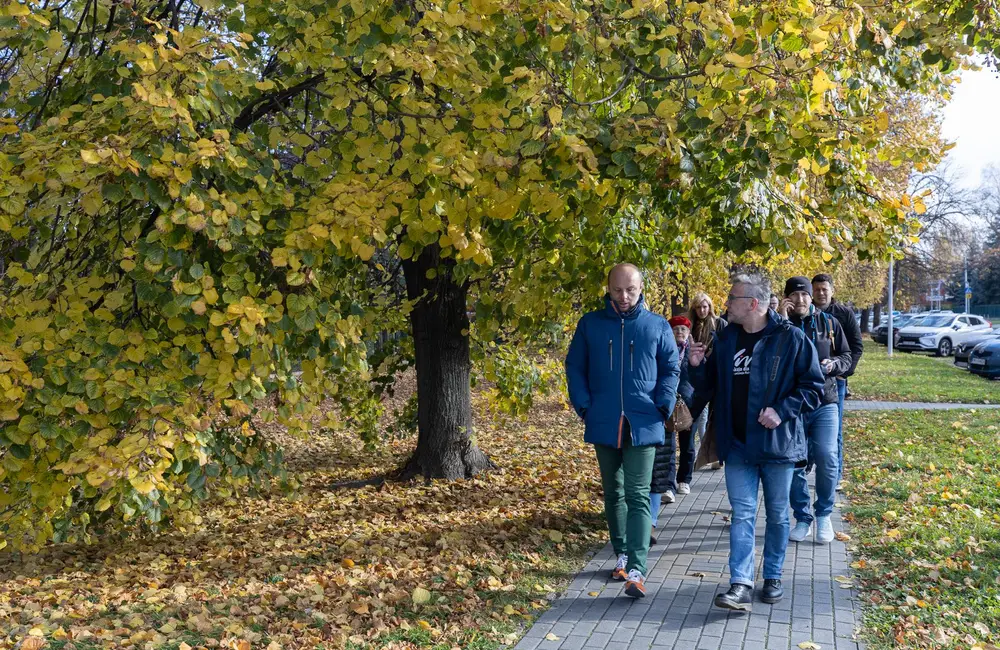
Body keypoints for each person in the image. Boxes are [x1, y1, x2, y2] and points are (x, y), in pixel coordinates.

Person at [688, 273, 824, 610]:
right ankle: (741, 583)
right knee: (742, 514)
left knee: (778, 515)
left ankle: (773, 575)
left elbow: (814, 387)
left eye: (732, 298)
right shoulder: (726, 340)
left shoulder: (790, 339)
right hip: (737, 444)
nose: (726, 303)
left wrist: (782, 410)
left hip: (778, 446)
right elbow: (708, 389)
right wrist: (695, 368)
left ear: (752, 303)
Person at [565, 263, 681, 599]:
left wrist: (663, 404)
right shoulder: (590, 324)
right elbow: (575, 365)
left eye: (630, 289)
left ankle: (637, 568)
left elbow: (671, 367)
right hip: (603, 418)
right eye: (618, 290)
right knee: (613, 492)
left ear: (641, 287)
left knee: (638, 493)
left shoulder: (657, 325)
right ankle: (622, 553)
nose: (624, 296)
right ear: (609, 288)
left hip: (644, 421)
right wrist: (584, 405)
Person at [778, 277, 852, 544]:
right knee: (795, 461)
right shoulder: (778, 325)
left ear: (811, 298)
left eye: (804, 295)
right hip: (793, 405)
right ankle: (802, 517)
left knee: (827, 455)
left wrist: (834, 364)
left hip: (824, 401)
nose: (800, 300)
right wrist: (781, 319)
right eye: (794, 295)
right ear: (786, 298)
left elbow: (847, 355)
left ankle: (823, 515)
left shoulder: (829, 323)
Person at [811, 273, 864, 489]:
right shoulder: (805, 312)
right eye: (817, 289)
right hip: (808, 382)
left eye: (825, 289)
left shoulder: (844, 314)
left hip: (836, 381)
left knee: (835, 429)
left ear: (832, 291)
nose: (821, 293)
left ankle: (836, 475)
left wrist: (844, 373)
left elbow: (856, 347)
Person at [649, 316, 695, 545]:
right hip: (657, 412)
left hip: (683, 404)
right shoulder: (659, 349)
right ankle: (667, 487)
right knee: (662, 456)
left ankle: (682, 479)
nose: (678, 332)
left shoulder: (691, 350)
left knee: (685, 445)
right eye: (674, 329)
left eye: (682, 329)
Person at [688, 292, 727, 468]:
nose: (702, 310)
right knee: (692, 419)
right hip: (696, 377)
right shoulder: (690, 326)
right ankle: (692, 458)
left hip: (716, 376)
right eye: (699, 307)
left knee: (716, 417)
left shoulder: (720, 324)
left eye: (705, 307)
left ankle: (716, 456)